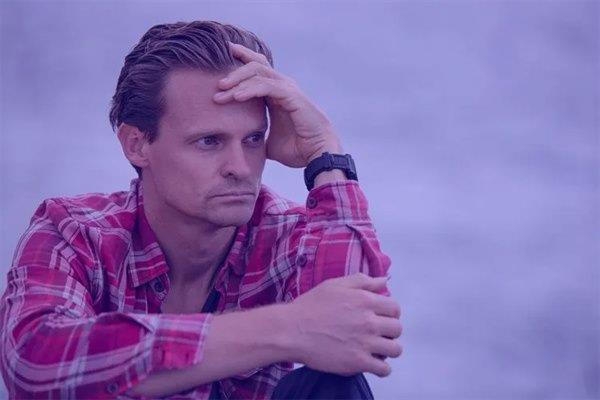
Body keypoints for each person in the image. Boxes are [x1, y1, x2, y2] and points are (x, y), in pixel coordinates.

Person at [0, 21, 402, 399]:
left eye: (253, 139)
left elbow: (361, 332)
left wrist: (325, 154)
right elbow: (35, 364)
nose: (240, 168)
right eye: (209, 141)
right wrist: (288, 327)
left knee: (334, 382)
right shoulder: (72, 233)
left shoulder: (289, 234)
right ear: (137, 145)